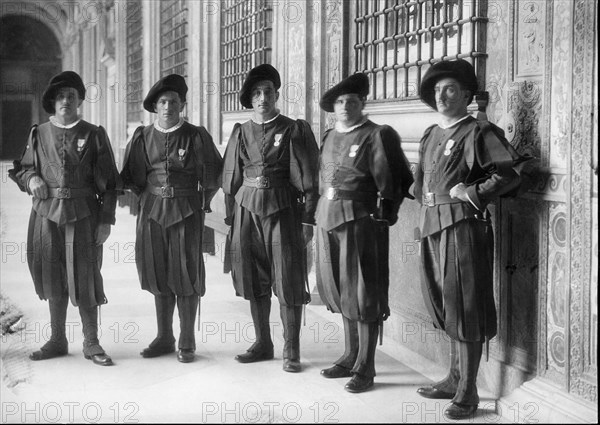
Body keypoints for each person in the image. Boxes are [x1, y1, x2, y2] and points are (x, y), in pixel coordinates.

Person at [412, 59, 529, 419]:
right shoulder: (432, 133)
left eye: (450, 89)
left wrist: (473, 191)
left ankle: (468, 392)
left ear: (466, 94)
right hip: (432, 225)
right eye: (437, 91)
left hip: (463, 228)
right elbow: (421, 184)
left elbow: (512, 173)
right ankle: (453, 377)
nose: (442, 96)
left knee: (466, 305)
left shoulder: (479, 132)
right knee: (445, 302)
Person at [9, 71, 120, 366]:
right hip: (46, 215)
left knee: (85, 275)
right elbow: (21, 168)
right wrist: (31, 178)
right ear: (52, 102)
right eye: (60, 97)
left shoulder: (93, 134)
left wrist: (105, 220)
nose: (65, 101)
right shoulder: (39, 133)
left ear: (80, 100)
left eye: (71, 96)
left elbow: (110, 182)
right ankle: (57, 339)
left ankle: (91, 342)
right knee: (51, 273)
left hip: (84, 214)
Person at [315, 73, 414, 393]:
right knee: (340, 290)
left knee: (364, 294)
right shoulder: (329, 135)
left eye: (352, 101)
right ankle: (349, 355)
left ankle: (366, 366)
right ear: (333, 107)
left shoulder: (377, 135)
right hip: (327, 219)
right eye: (340, 102)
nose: (345, 107)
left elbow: (395, 179)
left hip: (360, 222)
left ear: (362, 103)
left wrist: (386, 213)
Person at [221, 64, 319, 373]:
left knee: (288, 279)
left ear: (277, 95)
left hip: (283, 211)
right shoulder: (240, 131)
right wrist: (231, 217)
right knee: (253, 277)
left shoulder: (294, 129)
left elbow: (309, 178)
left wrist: (307, 221)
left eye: (268, 92)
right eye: (257, 93)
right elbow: (231, 178)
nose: (262, 98)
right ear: (250, 99)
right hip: (247, 211)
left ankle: (292, 349)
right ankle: (263, 342)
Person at [120, 74, 223, 363]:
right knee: (157, 270)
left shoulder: (196, 135)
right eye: (163, 102)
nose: (168, 106)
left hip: (187, 211)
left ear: (182, 104)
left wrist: (199, 202)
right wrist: (151, 197)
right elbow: (132, 178)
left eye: (174, 101)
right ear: (155, 106)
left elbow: (214, 175)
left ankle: (186, 339)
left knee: (186, 273)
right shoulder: (142, 136)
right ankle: (164, 336)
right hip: (152, 211)